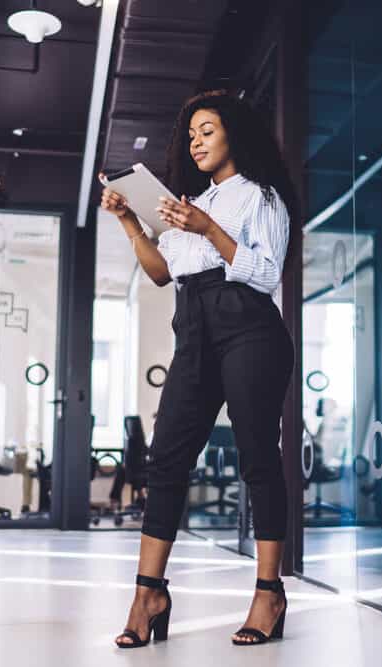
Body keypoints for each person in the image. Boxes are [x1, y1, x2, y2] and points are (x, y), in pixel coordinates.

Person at [100, 90, 299, 648]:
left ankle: (269, 592)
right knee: (166, 459)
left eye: (207, 130)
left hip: (249, 326)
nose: (196, 141)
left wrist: (207, 226)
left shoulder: (261, 196)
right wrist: (129, 222)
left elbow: (263, 274)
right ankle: (148, 594)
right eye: (191, 135)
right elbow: (164, 273)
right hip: (194, 327)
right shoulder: (189, 203)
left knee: (258, 455)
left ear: (234, 133)